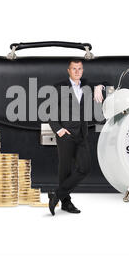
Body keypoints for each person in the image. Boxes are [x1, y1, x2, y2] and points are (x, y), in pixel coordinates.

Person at [48, 59, 107, 215]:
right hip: (65, 134)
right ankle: (66, 203)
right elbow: (50, 111)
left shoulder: (87, 85)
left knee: (85, 167)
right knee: (65, 169)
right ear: (68, 70)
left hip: (81, 134)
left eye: (80, 69)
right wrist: (58, 129)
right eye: (74, 69)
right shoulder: (59, 87)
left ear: (82, 70)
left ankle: (57, 194)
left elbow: (106, 81)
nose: (77, 71)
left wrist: (99, 87)